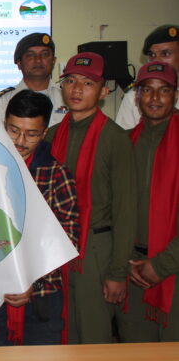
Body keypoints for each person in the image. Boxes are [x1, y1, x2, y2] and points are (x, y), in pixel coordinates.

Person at [45, 52, 137, 344]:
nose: (76, 89)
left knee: (93, 338)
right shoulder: (51, 136)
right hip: (56, 249)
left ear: (103, 91)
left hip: (96, 251)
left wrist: (118, 272)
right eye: (70, 81)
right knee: (60, 335)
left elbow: (125, 211)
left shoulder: (115, 139)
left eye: (87, 83)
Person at [0, 90, 80, 346]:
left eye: (31, 134)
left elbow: (67, 240)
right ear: (4, 125)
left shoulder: (55, 174)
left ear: (44, 133)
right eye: (13, 130)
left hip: (42, 295)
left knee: (41, 360)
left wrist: (31, 280)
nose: (21, 141)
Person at [121, 62, 179, 341]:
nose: (155, 98)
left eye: (164, 90)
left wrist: (162, 264)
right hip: (132, 269)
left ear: (175, 95)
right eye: (147, 90)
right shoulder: (125, 142)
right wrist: (124, 263)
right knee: (135, 354)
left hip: (173, 269)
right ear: (137, 96)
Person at [0, 33, 65, 126]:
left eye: (45, 54)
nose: (38, 60)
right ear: (19, 63)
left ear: (53, 61)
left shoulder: (66, 98)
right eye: (30, 55)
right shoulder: (2, 101)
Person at [115, 24, 179, 129]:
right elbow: (122, 137)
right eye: (152, 55)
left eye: (166, 54)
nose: (157, 61)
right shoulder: (134, 97)